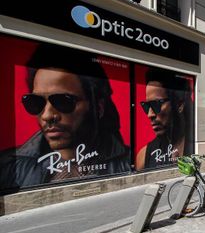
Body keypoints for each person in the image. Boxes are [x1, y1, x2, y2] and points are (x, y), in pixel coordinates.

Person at [0, 43, 130, 191]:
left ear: (98, 107)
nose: (47, 115)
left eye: (63, 101)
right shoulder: (8, 166)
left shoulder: (129, 161)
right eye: (36, 102)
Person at [136, 68, 193, 170]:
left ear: (179, 105)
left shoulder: (196, 144)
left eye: (156, 104)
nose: (150, 114)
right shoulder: (144, 157)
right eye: (147, 106)